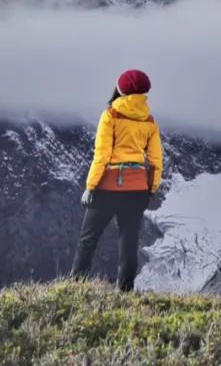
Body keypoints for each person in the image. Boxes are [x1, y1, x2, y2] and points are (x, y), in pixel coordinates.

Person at [70, 69, 163, 291]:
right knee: (129, 244)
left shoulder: (111, 116)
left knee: (88, 240)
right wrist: (151, 188)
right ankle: (125, 292)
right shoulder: (149, 121)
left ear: (120, 89)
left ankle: (75, 288)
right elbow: (156, 159)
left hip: (108, 188)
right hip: (137, 189)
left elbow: (101, 155)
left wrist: (91, 186)